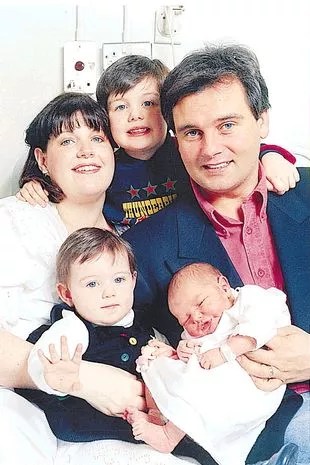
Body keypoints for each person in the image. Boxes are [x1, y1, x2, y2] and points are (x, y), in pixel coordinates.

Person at [122, 44, 310, 465]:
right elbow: (112, 339)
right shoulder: (147, 247)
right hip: (244, 438)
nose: (210, 148)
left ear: (262, 121)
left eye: (227, 125)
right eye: (192, 132)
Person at [0, 93, 196, 465]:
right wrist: (86, 379)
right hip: (20, 406)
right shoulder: (14, 220)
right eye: (67, 141)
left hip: (119, 422)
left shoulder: (130, 237)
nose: (85, 151)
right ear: (42, 159)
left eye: (97, 138)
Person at [17, 55, 299, 232]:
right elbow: (67, 174)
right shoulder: (103, 165)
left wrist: (271, 156)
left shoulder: (188, 150)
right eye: (121, 107)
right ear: (106, 119)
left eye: (149, 103)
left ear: (169, 112)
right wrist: (35, 181)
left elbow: (233, 153)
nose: (136, 115)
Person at [126, 262, 295, 465]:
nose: (196, 317)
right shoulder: (205, 329)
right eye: (185, 319)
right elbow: (194, 348)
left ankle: (168, 436)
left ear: (223, 286)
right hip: (224, 386)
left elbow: (262, 325)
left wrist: (225, 352)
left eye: (200, 303)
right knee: (155, 364)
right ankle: (157, 416)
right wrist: (182, 350)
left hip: (254, 385)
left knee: (196, 387)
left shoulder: (250, 299)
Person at [17, 227, 159, 443]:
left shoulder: (140, 324)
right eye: (92, 284)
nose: (109, 292)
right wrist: (57, 377)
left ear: (133, 280)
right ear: (67, 294)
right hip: (98, 433)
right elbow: (41, 359)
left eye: (119, 280)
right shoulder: (73, 328)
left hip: (148, 424)